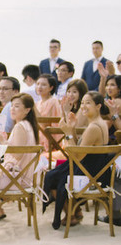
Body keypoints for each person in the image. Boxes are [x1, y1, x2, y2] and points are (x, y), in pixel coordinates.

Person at [43, 92, 110, 229]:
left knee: (53, 177)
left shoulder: (93, 127)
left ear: (98, 106)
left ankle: (71, 213)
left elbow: (76, 156)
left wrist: (67, 133)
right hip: (91, 168)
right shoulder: (98, 123)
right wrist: (71, 128)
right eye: (83, 103)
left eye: (88, 103)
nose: (83, 106)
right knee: (53, 174)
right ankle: (75, 211)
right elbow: (79, 147)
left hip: (89, 172)